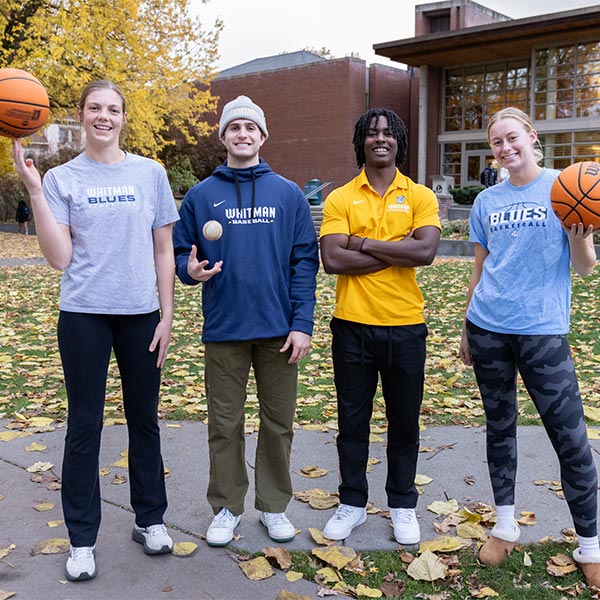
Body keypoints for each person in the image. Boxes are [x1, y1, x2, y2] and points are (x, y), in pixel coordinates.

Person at [12, 80, 179, 582]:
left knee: (144, 420)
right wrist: (36, 192)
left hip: (140, 313)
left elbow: (164, 249)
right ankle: (82, 539)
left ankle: (150, 519)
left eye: (113, 109)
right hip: (84, 314)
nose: (104, 116)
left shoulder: (150, 173)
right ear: (81, 116)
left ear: (123, 118)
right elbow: (59, 257)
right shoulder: (62, 178)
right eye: (95, 109)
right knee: (84, 425)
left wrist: (166, 314)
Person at [458, 107, 599, 585]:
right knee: (500, 429)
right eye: (496, 142)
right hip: (488, 327)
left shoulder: (566, 185)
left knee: (571, 439)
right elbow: (479, 269)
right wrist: (465, 327)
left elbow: (584, 268)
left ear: (532, 137)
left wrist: (580, 238)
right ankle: (504, 525)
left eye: (512, 137)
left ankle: (590, 545)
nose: (505, 148)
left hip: (542, 330)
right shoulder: (486, 202)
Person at [173, 95, 319, 547]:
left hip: (279, 331)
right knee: (225, 424)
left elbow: (303, 262)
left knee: (279, 423)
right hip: (225, 329)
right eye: (233, 127)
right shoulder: (201, 195)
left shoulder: (288, 193)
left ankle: (273, 506)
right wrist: (190, 271)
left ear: (262, 136)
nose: (242, 134)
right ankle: (226, 507)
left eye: (250, 127)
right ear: (223, 137)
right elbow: (181, 253)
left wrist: (303, 324)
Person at [319, 108, 441, 544]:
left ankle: (402, 504)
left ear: (399, 141)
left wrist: (362, 243)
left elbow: (425, 252)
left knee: (404, 422)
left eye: (388, 133)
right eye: (372, 134)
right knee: (353, 422)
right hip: (351, 326)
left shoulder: (420, 195)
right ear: (361, 142)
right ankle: (351, 503)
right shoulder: (340, 197)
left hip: (406, 326)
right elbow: (332, 259)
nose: (381, 139)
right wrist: (397, 249)